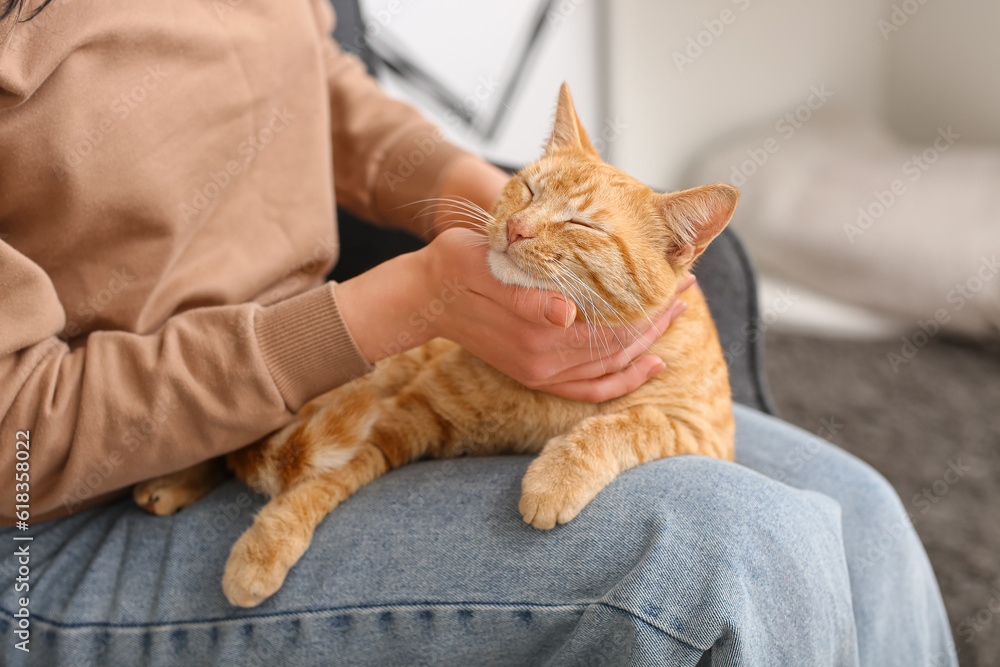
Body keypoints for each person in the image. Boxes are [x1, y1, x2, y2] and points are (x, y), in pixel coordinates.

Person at [0, 0, 957, 664]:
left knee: (861, 515)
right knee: (747, 555)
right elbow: (16, 441)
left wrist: (497, 215)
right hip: (80, 509)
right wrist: (400, 307)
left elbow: (312, 81)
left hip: (328, 373)